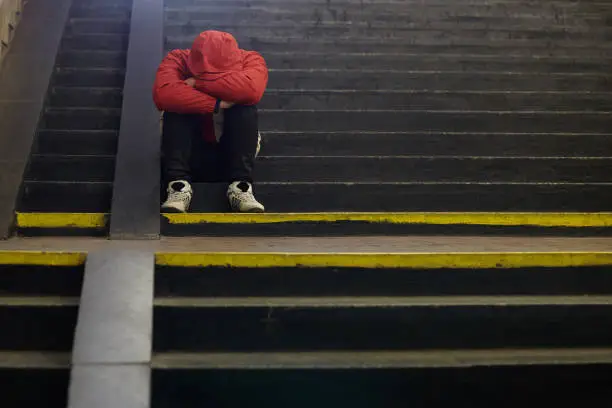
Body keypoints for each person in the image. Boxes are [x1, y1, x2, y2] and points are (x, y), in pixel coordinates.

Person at [153, 30, 267, 213]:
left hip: (231, 156)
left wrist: (197, 83)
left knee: (245, 108)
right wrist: (216, 103)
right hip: (187, 156)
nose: (211, 74)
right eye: (206, 72)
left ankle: (241, 187)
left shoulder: (251, 59)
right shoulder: (177, 58)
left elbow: (252, 91)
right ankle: (178, 187)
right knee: (176, 106)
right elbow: (164, 94)